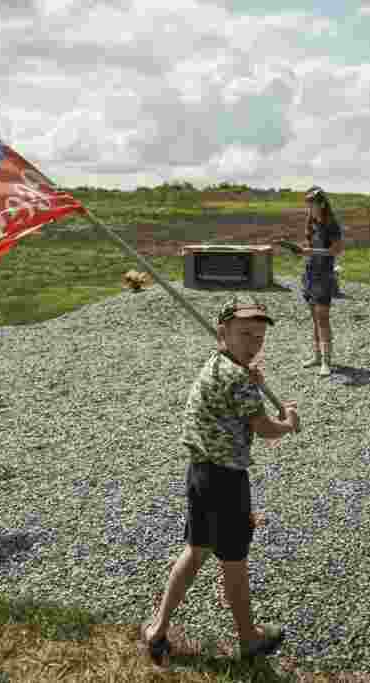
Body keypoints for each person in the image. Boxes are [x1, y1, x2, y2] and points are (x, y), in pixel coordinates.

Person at [141, 294, 299, 665]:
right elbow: (264, 428)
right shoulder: (237, 379)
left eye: (259, 337)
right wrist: (289, 423)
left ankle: (157, 629)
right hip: (226, 480)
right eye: (244, 334)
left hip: (200, 474)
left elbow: (236, 387)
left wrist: (252, 377)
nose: (253, 343)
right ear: (221, 333)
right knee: (234, 561)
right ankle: (249, 638)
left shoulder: (217, 364)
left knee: (195, 552)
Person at [299, 186, 346, 376]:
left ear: (321, 204)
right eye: (307, 205)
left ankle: (327, 362)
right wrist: (304, 251)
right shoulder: (312, 224)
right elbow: (311, 247)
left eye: (311, 205)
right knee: (314, 319)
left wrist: (313, 252)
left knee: (323, 319)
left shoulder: (331, 225)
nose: (308, 208)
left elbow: (337, 250)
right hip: (310, 273)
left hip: (324, 275)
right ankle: (317, 357)